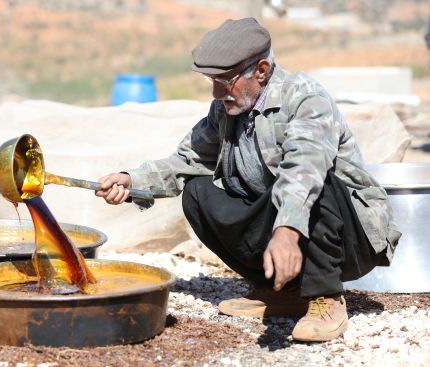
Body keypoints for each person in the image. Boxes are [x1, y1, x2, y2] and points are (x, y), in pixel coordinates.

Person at [95, 18, 401, 342]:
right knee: (197, 193)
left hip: (349, 236)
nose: (215, 92)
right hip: (288, 223)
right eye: (211, 80)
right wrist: (131, 180)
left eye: (224, 81)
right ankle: (283, 290)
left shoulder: (305, 99)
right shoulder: (226, 108)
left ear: (262, 71)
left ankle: (325, 297)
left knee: (316, 183)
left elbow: (304, 170)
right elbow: (188, 160)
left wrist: (286, 232)